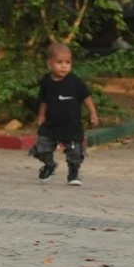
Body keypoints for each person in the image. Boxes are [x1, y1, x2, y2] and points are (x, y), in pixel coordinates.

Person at [29, 43, 96, 185]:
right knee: (41, 148)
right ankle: (49, 165)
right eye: (59, 62)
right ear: (49, 64)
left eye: (68, 62)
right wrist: (41, 116)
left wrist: (93, 113)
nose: (64, 66)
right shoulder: (46, 82)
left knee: (75, 153)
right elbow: (44, 100)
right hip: (51, 125)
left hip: (71, 125)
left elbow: (86, 97)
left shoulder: (75, 82)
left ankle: (73, 174)